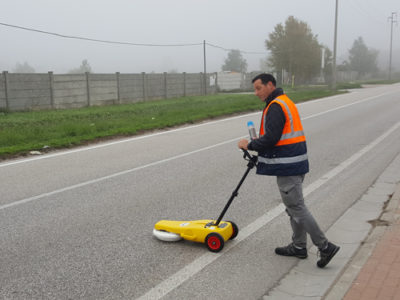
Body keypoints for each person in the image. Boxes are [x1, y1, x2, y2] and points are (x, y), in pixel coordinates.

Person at [238, 73, 339, 268]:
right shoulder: (284, 102)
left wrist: (249, 144)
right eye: (255, 89)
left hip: (288, 165)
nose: (255, 92)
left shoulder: (276, 106)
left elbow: (272, 139)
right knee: (293, 207)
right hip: (295, 162)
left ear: (270, 85)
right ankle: (299, 246)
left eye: (258, 88)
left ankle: (325, 247)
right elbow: (279, 135)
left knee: (297, 208)